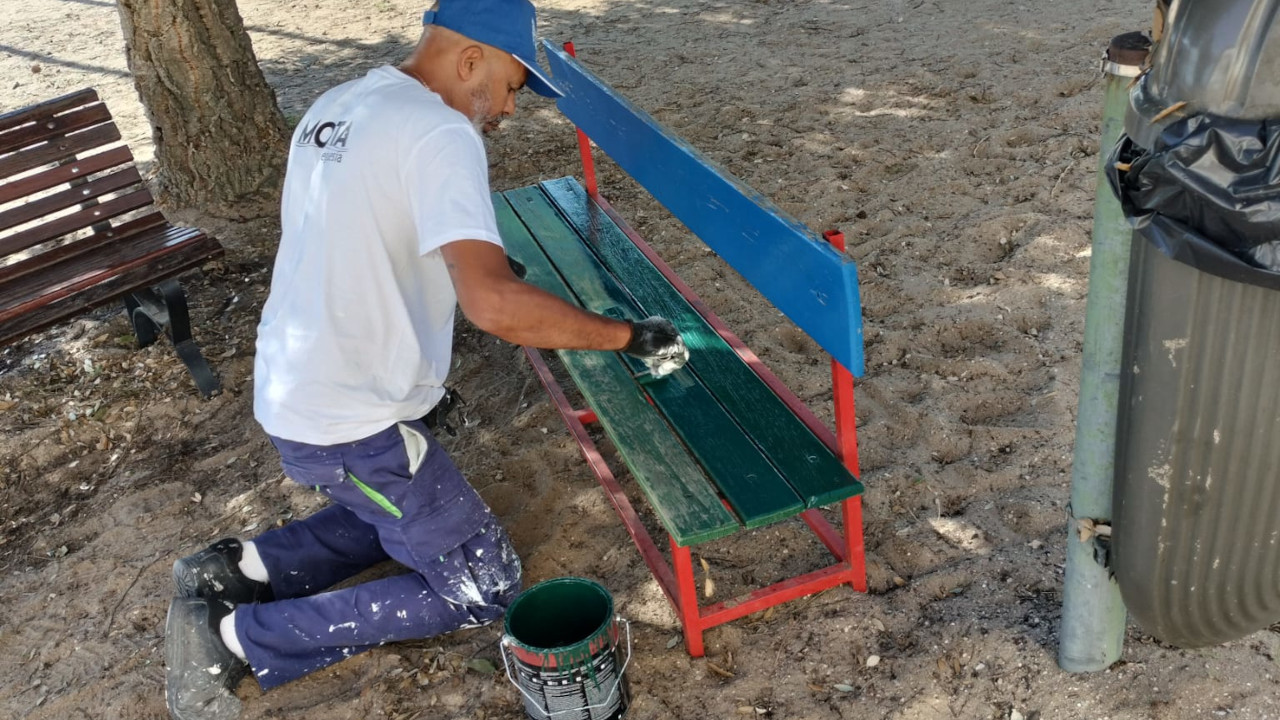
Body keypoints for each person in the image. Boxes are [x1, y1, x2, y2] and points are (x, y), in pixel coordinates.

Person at [162, 1, 688, 718]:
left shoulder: (341, 100)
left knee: (394, 509)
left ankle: (238, 568)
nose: (508, 106)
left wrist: (483, 266)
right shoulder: (442, 131)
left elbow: (359, 227)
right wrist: (630, 337)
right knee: (484, 587)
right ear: (471, 57)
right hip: (352, 417)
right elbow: (494, 308)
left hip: (298, 383)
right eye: (510, 83)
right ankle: (236, 637)